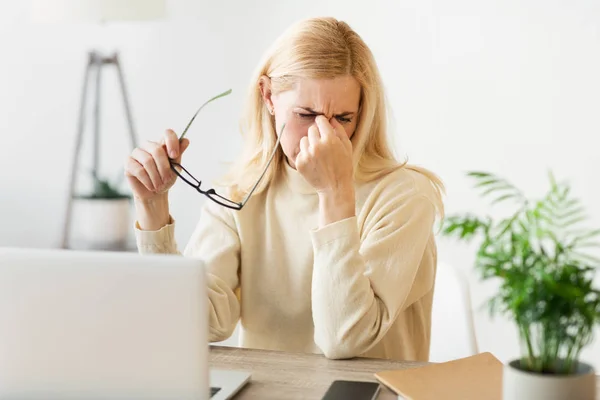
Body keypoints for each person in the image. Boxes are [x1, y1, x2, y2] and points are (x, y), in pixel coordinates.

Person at [124, 16, 444, 362]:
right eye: (306, 114)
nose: (323, 135)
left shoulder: (404, 196)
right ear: (268, 96)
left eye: (344, 118)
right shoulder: (239, 192)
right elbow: (202, 322)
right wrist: (154, 210)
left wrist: (335, 193)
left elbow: (344, 339)